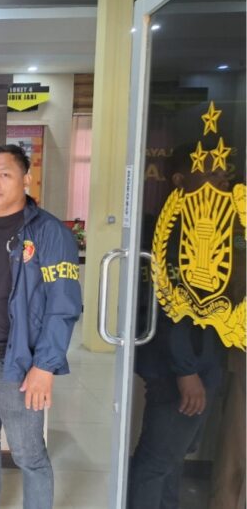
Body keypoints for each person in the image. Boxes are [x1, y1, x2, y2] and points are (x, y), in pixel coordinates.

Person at [0, 144, 82, 509]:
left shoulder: (48, 231)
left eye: (4, 175)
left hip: (18, 364)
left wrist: (45, 366)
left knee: (28, 454)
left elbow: (63, 305)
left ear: (26, 179)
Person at [128, 142, 240, 509]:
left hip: (200, 359)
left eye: (222, 173)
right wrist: (186, 370)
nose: (220, 181)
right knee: (156, 462)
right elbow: (170, 305)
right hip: (179, 366)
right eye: (209, 173)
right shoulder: (172, 230)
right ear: (179, 180)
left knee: (172, 458)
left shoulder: (209, 224)